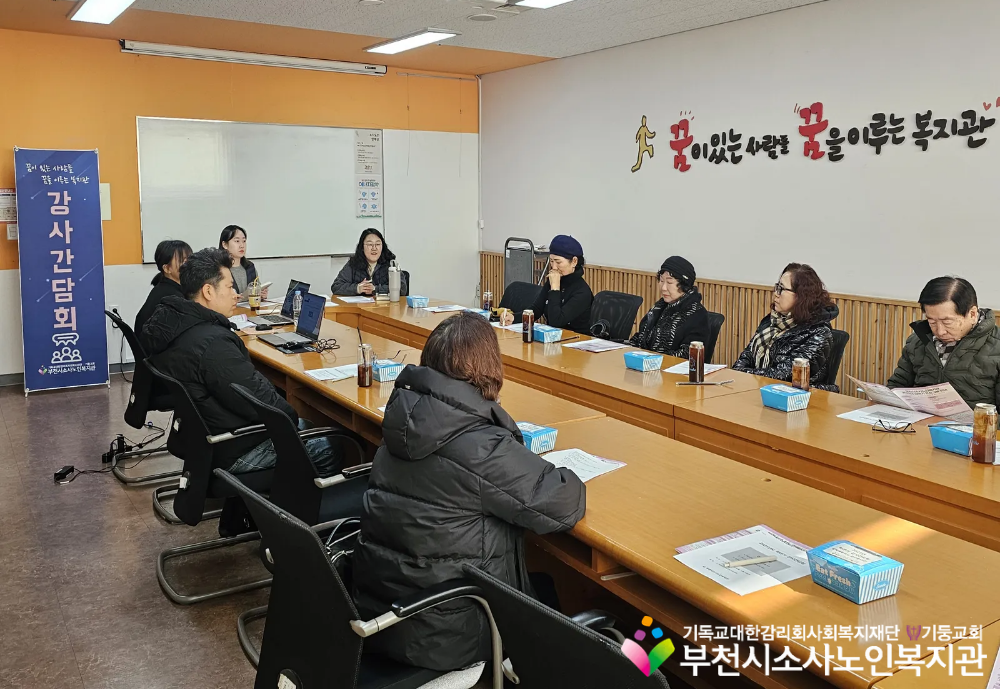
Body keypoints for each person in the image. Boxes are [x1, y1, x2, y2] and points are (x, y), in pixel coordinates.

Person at [352, 312, 586, 672]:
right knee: (554, 601)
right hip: (449, 630)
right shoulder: (479, 445)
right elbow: (563, 502)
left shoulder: (404, 420)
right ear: (488, 368)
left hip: (383, 608)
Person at [140, 248, 346, 476]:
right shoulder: (212, 344)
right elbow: (265, 405)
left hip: (203, 438)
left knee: (306, 426)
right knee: (330, 445)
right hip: (233, 448)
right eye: (229, 287)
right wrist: (290, 418)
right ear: (208, 291)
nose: (236, 294)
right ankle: (299, 499)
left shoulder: (175, 326)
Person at [888, 277, 1000, 408]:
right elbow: (897, 387)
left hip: (976, 421)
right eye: (932, 322)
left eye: (947, 322)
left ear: (972, 314)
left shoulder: (996, 346)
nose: (940, 332)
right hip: (920, 419)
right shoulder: (917, 341)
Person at [733, 263, 839, 390]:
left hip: (798, 397)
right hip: (760, 390)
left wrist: (744, 373)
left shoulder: (819, 333)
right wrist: (740, 373)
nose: (776, 294)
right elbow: (743, 360)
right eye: (777, 287)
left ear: (801, 295)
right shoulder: (771, 322)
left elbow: (783, 375)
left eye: (782, 289)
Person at [500, 234, 593, 334]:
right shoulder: (554, 280)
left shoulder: (582, 292)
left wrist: (555, 289)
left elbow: (556, 322)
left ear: (574, 261)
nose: (554, 267)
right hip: (554, 338)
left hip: (576, 339)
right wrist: (514, 318)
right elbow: (537, 309)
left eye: (558, 262)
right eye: (551, 261)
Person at [629, 256, 710, 356]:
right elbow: (639, 339)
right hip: (645, 363)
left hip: (669, 365)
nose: (663, 288)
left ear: (684, 285)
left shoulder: (698, 315)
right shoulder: (659, 307)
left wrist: (654, 359)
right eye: (661, 281)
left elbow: (688, 355)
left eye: (669, 282)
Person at [135, 239, 191, 337]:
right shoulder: (172, 298)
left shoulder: (163, 287)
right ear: (167, 268)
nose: (189, 265)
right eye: (183, 261)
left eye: (189, 260)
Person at [331, 228, 409, 297]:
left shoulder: (390, 264)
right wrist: (357, 288)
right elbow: (336, 286)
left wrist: (375, 289)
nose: (374, 248)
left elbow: (402, 289)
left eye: (378, 244)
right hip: (360, 307)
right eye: (370, 244)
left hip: (385, 307)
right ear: (362, 247)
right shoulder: (353, 263)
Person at [219, 224, 266, 299]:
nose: (242, 245)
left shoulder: (250, 267)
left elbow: (257, 290)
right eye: (237, 241)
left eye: (244, 241)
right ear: (224, 245)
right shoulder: (218, 269)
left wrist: (261, 295)